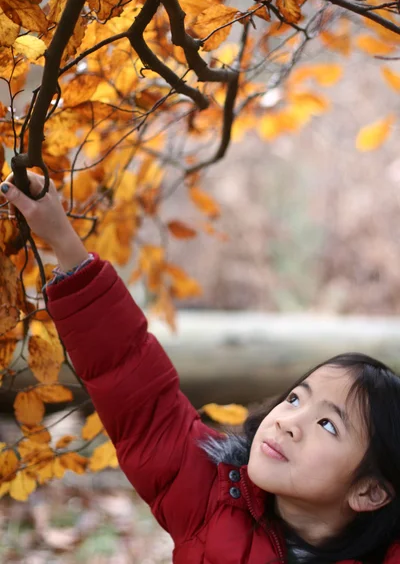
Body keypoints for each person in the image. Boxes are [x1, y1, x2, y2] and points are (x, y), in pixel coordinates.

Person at [1, 172, 400, 564]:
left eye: (328, 425)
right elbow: (137, 389)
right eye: (295, 398)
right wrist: (64, 242)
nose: (288, 422)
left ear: (369, 491)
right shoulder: (208, 494)